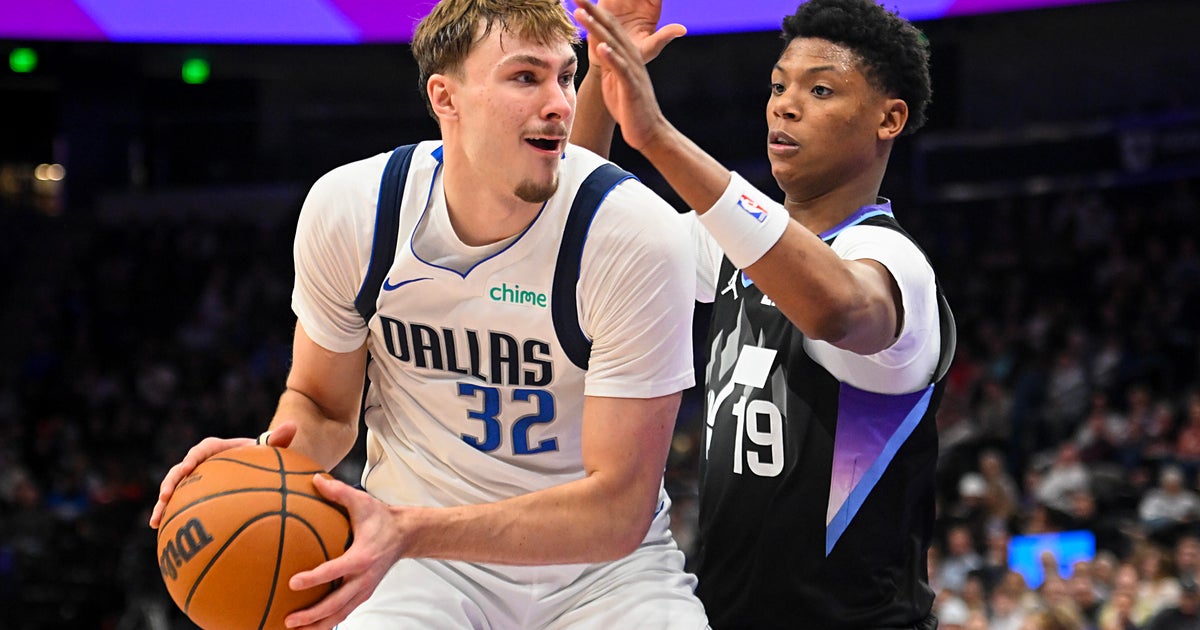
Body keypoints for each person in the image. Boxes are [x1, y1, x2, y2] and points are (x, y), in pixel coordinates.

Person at [148, 1, 710, 628]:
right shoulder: (354, 211)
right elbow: (324, 409)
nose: (559, 103)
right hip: (425, 570)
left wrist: (408, 529)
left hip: (604, 576)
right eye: (526, 77)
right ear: (446, 97)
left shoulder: (636, 234)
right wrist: (264, 461)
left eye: (566, 76)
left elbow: (617, 513)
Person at [572, 0, 955, 627]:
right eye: (778, 87)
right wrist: (600, 77)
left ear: (889, 119)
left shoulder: (892, 261)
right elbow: (582, 228)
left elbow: (835, 310)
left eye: (820, 90)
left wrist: (657, 136)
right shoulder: (729, 243)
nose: (785, 105)